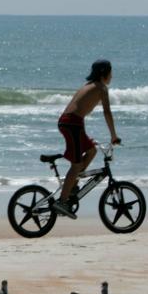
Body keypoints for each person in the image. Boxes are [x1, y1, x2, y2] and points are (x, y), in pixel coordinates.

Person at [53, 59, 121, 219]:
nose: (112, 75)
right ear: (105, 73)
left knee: (91, 150)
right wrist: (113, 136)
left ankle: (73, 185)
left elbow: (78, 111)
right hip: (72, 124)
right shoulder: (101, 88)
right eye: (111, 72)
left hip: (71, 122)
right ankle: (62, 202)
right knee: (76, 164)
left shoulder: (88, 85)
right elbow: (107, 112)